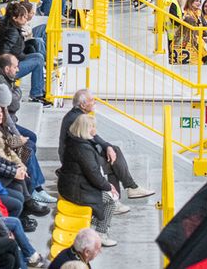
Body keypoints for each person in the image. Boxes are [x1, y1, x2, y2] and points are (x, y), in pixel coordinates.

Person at [59, 90, 153, 209]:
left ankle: (123, 195)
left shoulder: (78, 115)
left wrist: (108, 147)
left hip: (80, 155)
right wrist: (107, 148)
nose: (95, 102)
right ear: (83, 105)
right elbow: (88, 143)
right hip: (75, 160)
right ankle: (124, 194)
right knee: (113, 162)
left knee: (114, 152)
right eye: (92, 100)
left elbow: (93, 136)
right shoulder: (78, 119)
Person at [57, 113, 118, 247]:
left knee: (106, 196)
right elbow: (93, 174)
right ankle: (101, 233)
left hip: (70, 185)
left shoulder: (75, 141)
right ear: (85, 129)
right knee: (111, 199)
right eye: (92, 127)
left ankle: (94, 226)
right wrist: (108, 186)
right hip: (75, 190)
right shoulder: (83, 148)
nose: (95, 130)